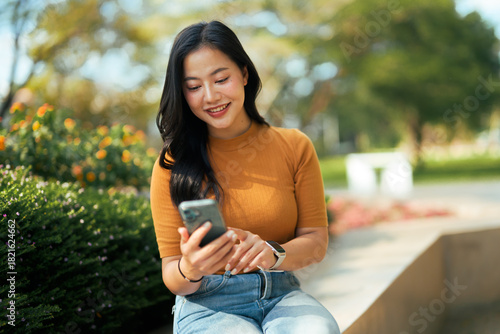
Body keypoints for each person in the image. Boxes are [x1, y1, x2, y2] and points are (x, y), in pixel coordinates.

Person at [150, 20, 340, 334]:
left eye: (221, 79)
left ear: (244, 74)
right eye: (194, 86)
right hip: (206, 304)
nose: (210, 96)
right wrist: (191, 267)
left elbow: (317, 243)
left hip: (280, 294)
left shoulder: (294, 147)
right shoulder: (173, 164)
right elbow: (172, 274)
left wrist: (273, 253)